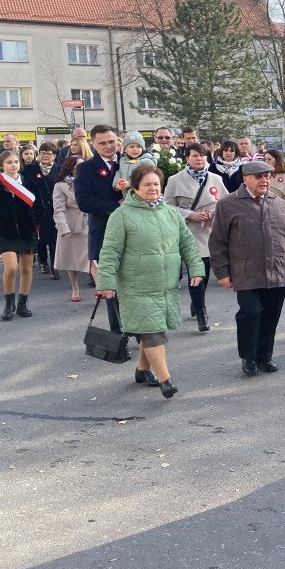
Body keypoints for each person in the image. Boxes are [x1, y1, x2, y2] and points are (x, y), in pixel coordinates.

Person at [96, 164, 203, 399]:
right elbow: (110, 251)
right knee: (153, 332)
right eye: (147, 184)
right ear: (135, 188)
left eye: (156, 184)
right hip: (136, 285)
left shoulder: (171, 213)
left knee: (151, 329)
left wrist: (196, 268)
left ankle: (142, 370)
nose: (153, 188)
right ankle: (166, 380)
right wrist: (106, 282)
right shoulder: (121, 215)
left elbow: (187, 244)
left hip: (165, 285)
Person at [209, 160, 285, 375]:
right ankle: (248, 357)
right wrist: (222, 272)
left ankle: (264, 356)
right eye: (259, 176)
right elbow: (217, 241)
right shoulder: (227, 204)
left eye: (267, 176)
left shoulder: (279, 203)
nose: (264, 180)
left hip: (276, 271)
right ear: (245, 179)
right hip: (245, 272)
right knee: (250, 313)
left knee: (271, 316)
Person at [164, 143, 228, 333]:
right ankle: (201, 312)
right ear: (187, 159)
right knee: (196, 271)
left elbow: (225, 203)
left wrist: (213, 213)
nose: (199, 159)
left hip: (210, 231)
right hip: (188, 232)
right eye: (194, 156)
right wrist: (189, 214)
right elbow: (167, 205)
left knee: (206, 271)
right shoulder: (175, 180)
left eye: (202, 156)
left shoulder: (216, 178)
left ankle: (196, 301)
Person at [75, 124, 126, 331]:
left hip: (135, 232)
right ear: (93, 144)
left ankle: (142, 332)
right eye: (102, 143)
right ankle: (118, 332)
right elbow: (84, 202)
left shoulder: (131, 161)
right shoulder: (85, 168)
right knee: (111, 286)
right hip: (105, 231)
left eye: (112, 141)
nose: (108, 146)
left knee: (134, 282)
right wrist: (116, 208)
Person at [0, 151, 42, 320]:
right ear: (2, 165)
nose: (13, 165)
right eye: (9, 162)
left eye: (16, 162)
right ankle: (9, 303)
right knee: (10, 268)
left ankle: (22, 304)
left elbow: (40, 205)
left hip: (26, 230)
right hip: (6, 232)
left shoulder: (28, 182)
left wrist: (34, 221)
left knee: (26, 268)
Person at [52, 155, 89, 302]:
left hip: (89, 221)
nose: (79, 168)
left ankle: (100, 286)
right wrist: (62, 227)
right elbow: (58, 208)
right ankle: (75, 287)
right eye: (76, 165)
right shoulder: (60, 185)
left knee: (94, 257)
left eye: (82, 164)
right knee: (70, 258)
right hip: (71, 223)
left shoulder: (89, 181)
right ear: (70, 167)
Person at [23, 143, 59, 279]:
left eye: (48, 153)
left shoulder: (59, 169)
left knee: (54, 238)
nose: (45, 156)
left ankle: (55, 266)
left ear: (54, 156)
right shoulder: (30, 169)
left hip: (54, 208)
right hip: (37, 208)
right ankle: (43, 262)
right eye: (42, 153)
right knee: (40, 238)